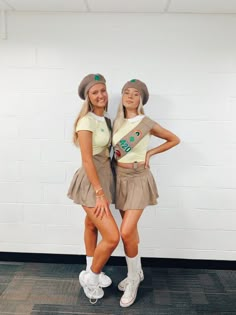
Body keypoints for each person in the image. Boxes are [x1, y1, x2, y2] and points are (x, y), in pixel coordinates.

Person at [112, 79, 180, 308]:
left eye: (135, 94)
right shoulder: (116, 123)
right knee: (130, 233)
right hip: (119, 179)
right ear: (122, 96)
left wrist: (150, 152)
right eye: (126, 93)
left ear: (141, 99)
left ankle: (133, 280)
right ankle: (137, 272)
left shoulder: (146, 122)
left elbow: (174, 139)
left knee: (126, 231)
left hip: (139, 178)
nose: (130, 96)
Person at [68, 73, 120, 303]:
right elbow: (88, 160)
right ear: (88, 97)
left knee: (91, 225)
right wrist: (99, 193)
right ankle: (91, 277)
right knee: (112, 236)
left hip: (104, 178)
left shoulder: (105, 119)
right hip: (92, 182)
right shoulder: (86, 121)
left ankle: (91, 268)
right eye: (95, 92)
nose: (100, 95)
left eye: (103, 90)